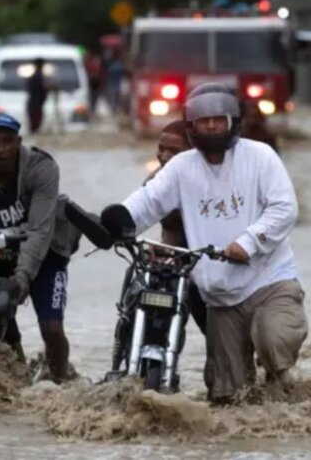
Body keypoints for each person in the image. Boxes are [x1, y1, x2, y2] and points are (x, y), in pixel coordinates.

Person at [116, 83, 307, 403]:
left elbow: (285, 208)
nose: (212, 125)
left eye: (219, 118)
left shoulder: (261, 156)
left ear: (233, 121)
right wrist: (116, 221)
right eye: (204, 120)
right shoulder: (181, 167)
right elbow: (148, 201)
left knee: (274, 342)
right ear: (192, 125)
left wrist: (248, 242)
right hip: (219, 297)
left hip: (269, 281)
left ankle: (282, 392)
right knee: (225, 397)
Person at [0, 113, 81, 382]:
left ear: (19, 142)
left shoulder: (41, 167)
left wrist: (24, 274)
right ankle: (15, 383)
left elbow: (40, 229)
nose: (1, 150)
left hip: (46, 252)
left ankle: (62, 383)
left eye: (8, 141)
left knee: (52, 327)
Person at [144, 120, 206, 335]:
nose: (164, 156)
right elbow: (168, 228)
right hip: (176, 258)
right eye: (161, 148)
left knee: (211, 325)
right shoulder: (153, 182)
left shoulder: (208, 184)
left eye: (174, 151)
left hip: (207, 259)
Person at [26, 58, 49, 133]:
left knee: (35, 126)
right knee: (35, 127)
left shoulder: (36, 76)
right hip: (35, 105)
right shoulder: (37, 77)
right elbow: (44, 87)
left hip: (35, 105)